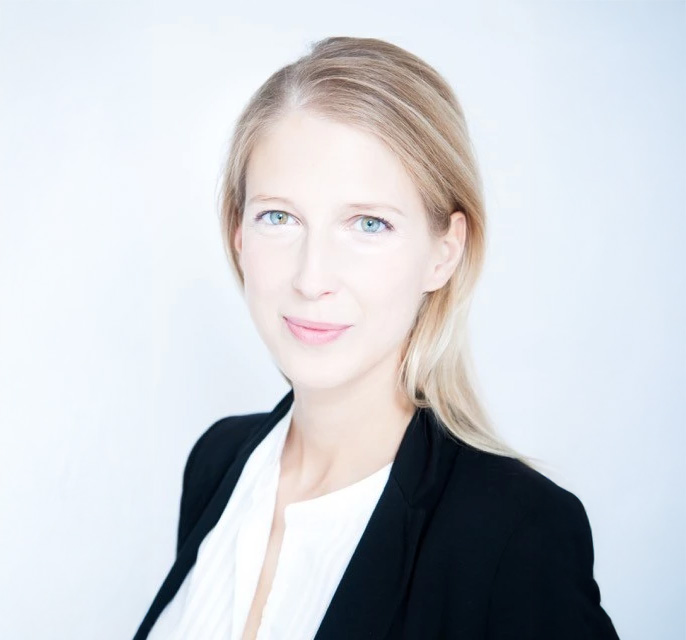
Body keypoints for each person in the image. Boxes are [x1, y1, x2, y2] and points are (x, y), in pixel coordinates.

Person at [133, 36, 620, 639]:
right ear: (238, 234)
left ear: (444, 253)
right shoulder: (219, 460)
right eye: (278, 217)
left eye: (369, 223)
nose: (312, 278)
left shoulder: (515, 533)